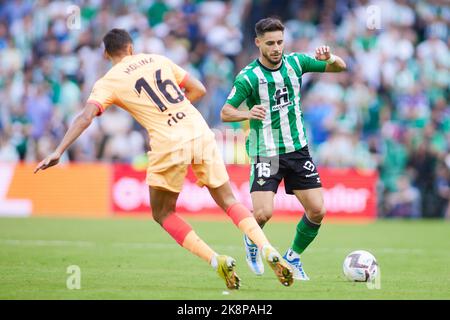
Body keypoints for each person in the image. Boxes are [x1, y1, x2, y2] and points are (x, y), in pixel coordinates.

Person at [34, 28, 293, 289]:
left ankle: (216, 260)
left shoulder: (107, 81)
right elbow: (198, 89)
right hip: (199, 129)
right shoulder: (156, 59)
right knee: (228, 200)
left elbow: (86, 117)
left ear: (106, 54)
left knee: (163, 213)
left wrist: (58, 150)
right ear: (131, 48)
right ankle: (267, 247)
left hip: (168, 141)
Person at [221, 18, 347, 280]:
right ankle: (252, 241)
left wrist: (330, 57)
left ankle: (293, 257)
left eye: (279, 41)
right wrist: (247, 112)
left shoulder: (296, 63)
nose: (276, 48)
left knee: (317, 210)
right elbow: (225, 112)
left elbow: (340, 67)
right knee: (263, 213)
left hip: (298, 149)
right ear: (258, 43)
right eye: (270, 43)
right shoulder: (249, 77)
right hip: (266, 150)